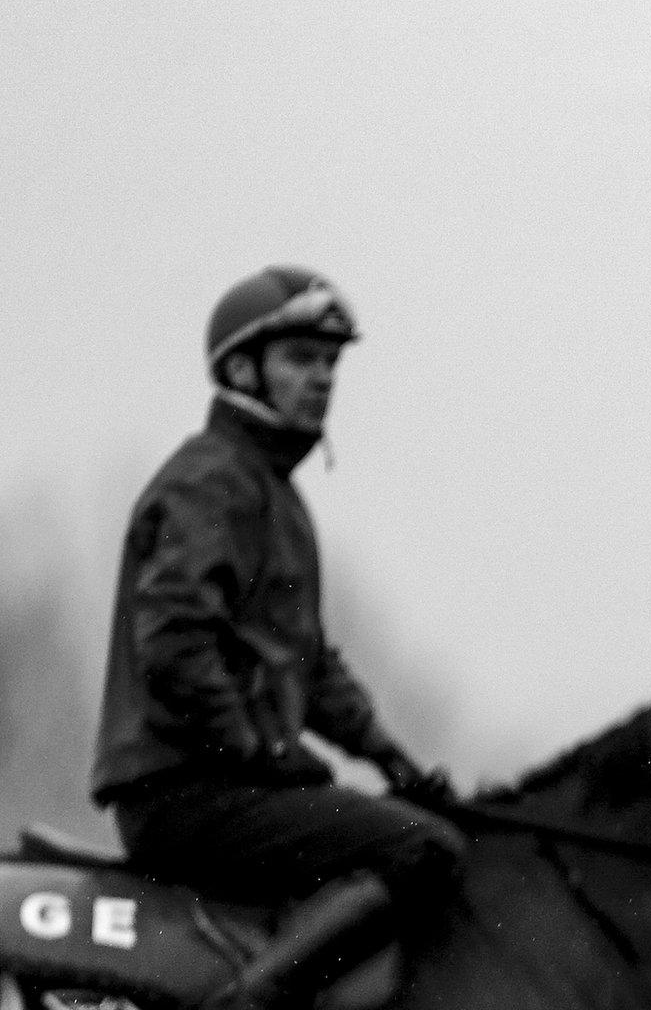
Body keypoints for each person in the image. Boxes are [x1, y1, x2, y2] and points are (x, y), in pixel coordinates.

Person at [91, 265, 467, 1010]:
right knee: (422, 850)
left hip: (230, 784)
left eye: (331, 364)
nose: (323, 379)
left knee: (419, 823)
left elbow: (311, 667)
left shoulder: (272, 493)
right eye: (301, 360)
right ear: (239, 369)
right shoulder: (212, 482)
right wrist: (258, 749)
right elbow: (173, 645)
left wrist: (395, 759)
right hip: (186, 794)